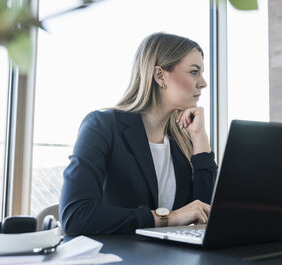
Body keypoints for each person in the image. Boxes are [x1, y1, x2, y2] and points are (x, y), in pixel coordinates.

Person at [59, 32, 218, 235]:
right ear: (160, 76)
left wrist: (199, 138)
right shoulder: (102, 126)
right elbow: (76, 216)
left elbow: (206, 214)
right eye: (194, 72)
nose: (203, 82)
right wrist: (169, 218)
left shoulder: (182, 141)